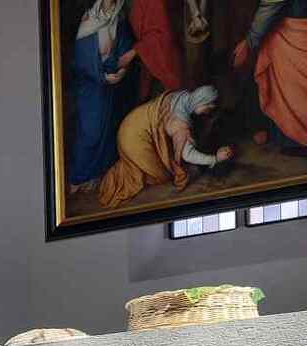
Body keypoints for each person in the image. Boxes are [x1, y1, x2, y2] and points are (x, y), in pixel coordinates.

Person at [99, 85, 235, 208]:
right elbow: (187, 155)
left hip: (130, 123)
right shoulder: (180, 124)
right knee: (162, 176)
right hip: (134, 137)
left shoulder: (181, 97)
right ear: (201, 101)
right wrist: (215, 159)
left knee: (160, 165)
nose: (209, 110)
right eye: (209, 106)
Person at [69, 0, 137, 192]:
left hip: (111, 85)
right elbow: (81, 60)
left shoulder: (119, 19)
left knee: (108, 130)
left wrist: (122, 71)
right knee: (91, 131)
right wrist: (101, 77)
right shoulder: (89, 20)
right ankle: (78, 178)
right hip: (91, 85)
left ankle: (96, 176)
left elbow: (124, 48)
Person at [233, 0, 307, 153]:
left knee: (292, 91)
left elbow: (270, 5)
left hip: (292, 35)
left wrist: (250, 41)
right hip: (297, 32)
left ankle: (295, 141)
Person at [122, 0, 185, 99]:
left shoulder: (155, 2)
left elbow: (163, 36)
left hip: (161, 68)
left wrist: (135, 51)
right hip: (139, 67)